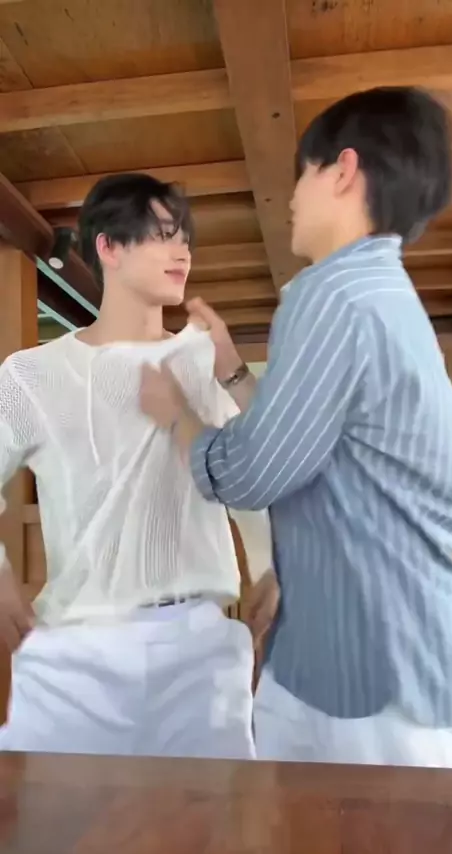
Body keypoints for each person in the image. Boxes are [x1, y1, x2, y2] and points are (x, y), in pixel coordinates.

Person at [139, 86, 452, 768]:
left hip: (373, 678)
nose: (291, 198)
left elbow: (250, 472)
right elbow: (326, 449)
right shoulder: (381, 298)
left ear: (343, 170)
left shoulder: (330, 295)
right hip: (406, 662)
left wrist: (176, 415)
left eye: (303, 174)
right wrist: (235, 371)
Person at [0, 172, 275, 758]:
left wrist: (272, 566)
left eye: (185, 238)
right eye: (163, 235)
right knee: (49, 811)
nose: (183, 252)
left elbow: (251, 475)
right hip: (74, 650)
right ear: (109, 247)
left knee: (214, 811)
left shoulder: (206, 359)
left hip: (200, 649)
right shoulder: (31, 375)